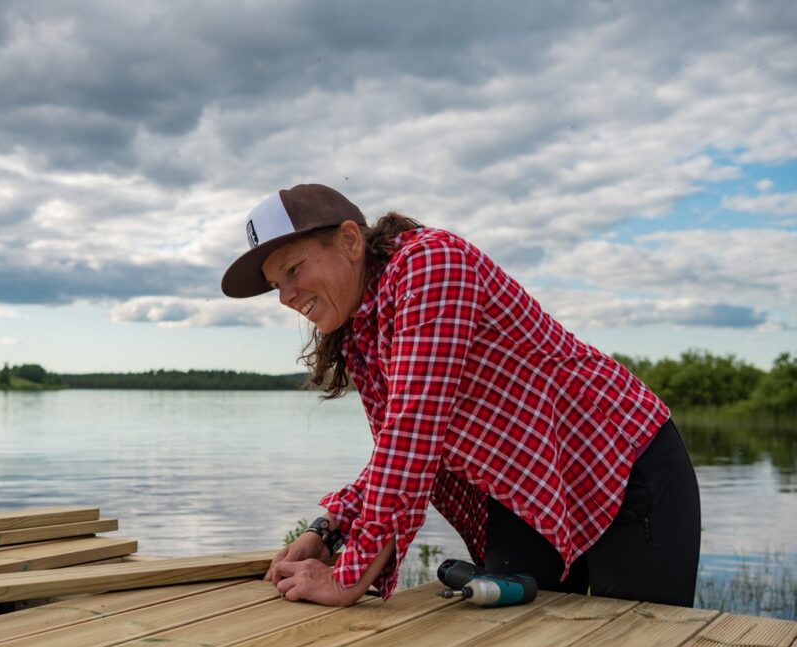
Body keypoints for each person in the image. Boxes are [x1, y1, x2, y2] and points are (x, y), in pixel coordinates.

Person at [221, 183, 701, 608]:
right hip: (526, 490)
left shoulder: (431, 263)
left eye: (292, 269)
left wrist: (347, 579)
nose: (284, 296)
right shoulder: (362, 331)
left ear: (349, 240)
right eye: (275, 285)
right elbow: (396, 450)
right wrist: (327, 530)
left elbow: (413, 434)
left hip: (619, 469)